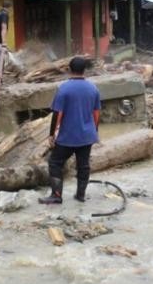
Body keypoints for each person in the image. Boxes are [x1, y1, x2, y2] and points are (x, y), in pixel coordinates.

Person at [39, 57, 100, 205]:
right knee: (83, 165)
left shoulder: (64, 88)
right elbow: (96, 113)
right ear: (84, 70)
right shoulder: (93, 88)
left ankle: (56, 195)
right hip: (87, 136)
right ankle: (80, 195)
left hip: (68, 136)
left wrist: (52, 134)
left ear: (69, 69)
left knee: (55, 163)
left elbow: (58, 114)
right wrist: (94, 131)